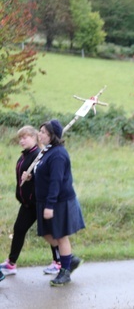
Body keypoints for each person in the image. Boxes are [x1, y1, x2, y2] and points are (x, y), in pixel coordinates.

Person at [0, 126, 61, 277]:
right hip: (27, 203)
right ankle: (11, 263)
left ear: (35, 138)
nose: (22, 140)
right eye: (20, 138)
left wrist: (32, 177)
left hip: (39, 202)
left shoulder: (39, 155)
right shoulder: (24, 156)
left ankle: (58, 262)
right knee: (19, 229)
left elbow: (45, 176)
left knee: (49, 232)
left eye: (25, 137)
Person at [31, 120, 84, 286]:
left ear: (52, 136)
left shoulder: (58, 155)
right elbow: (44, 173)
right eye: (40, 131)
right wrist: (31, 176)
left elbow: (56, 181)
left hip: (58, 202)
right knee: (47, 234)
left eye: (44, 133)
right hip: (45, 200)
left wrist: (50, 205)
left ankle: (65, 271)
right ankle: (70, 259)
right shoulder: (47, 151)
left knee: (60, 236)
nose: (40, 135)